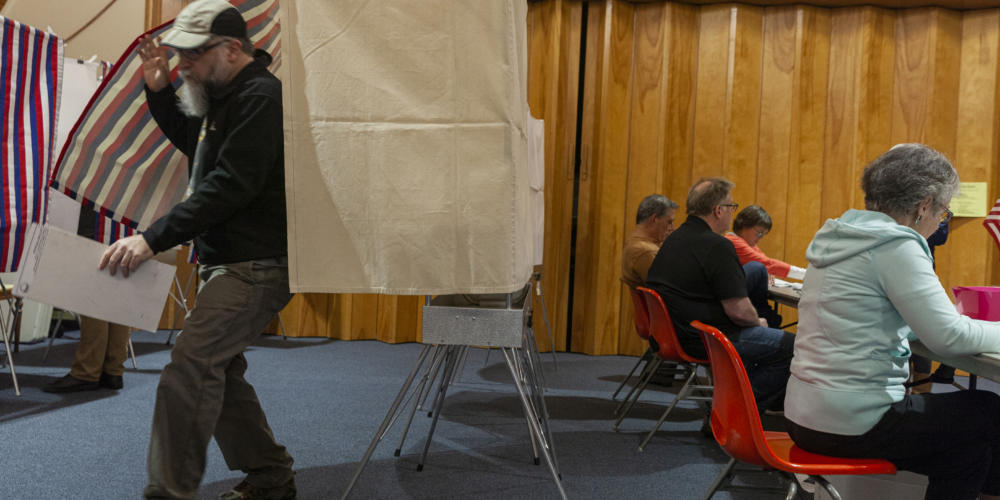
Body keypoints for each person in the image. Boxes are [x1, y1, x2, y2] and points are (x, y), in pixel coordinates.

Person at [99, 1, 295, 498]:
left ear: (232, 48)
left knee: (190, 367)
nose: (182, 63)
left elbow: (230, 183)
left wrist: (151, 238)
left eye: (190, 54)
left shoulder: (260, 96)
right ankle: (270, 478)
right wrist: (160, 86)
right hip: (230, 262)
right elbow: (197, 145)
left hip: (255, 267)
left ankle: (169, 492)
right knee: (220, 372)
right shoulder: (224, 93)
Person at [784, 143, 1000, 500]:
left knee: (966, 452)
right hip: (852, 421)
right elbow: (949, 336)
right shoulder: (895, 245)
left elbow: (911, 321)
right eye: (943, 213)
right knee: (986, 410)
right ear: (924, 205)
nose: (938, 222)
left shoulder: (841, 235)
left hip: (805, 414)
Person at [645, 177, 795, 411]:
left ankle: (734, 402)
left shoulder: (676, 238)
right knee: (793, 347)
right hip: (707, 337)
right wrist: (759, 322)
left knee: (755, 272)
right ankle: (731, 411)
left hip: (678, 332)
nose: (732, 212)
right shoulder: (717, 246)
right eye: (731, 206)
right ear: (718, 211)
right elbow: (738, 311)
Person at [44, 210, 131, 393]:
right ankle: (113, 370)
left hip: (97, 216)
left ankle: (87, 372)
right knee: (117, 293)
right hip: (127, 216)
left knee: (93, 294)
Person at [909, 219, 956, 393]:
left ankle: (920, 394)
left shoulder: (933, 212)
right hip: (907, 282)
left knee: (923, 340)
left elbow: (940, 236)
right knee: (906, 341)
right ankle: (901, 398)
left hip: (924, 281)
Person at [724, 205, 806, 280]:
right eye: (759, 233)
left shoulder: (747, 243)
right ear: (744, 225)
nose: (761, 237)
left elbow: (766, 263)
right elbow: (768, 264)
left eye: (763, 234)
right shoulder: (733, 242)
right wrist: (806, 275)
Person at [621, 194, 677, 288]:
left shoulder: (635, 243)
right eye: (669, 222)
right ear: (654, 219)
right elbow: (673, 288)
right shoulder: (645, 252)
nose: (672, 228)